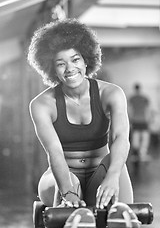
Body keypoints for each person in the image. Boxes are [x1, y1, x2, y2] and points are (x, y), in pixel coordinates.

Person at [27, 18, 133, 210]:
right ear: (52, 68)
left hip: (100, 170)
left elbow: (121, 138)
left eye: (75, 60)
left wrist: (112, 177)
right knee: (71, 196)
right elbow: (54, 152)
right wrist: (67, 192)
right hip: (61, 173)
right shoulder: (42, 104)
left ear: (86, 61)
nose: (69, 69)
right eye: (61, 63)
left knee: (120, 210)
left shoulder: (111, 94)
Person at [128, 83, 150, 162]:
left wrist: (130, 119)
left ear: (134, 89)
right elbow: (148, 110)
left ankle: (136, 154)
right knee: (144, 138)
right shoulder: (144, 98)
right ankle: (142, 154)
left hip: (135, 120)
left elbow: (129, 110)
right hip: (143, 120)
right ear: (140, 88)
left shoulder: (132, 98)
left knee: (135, 137)